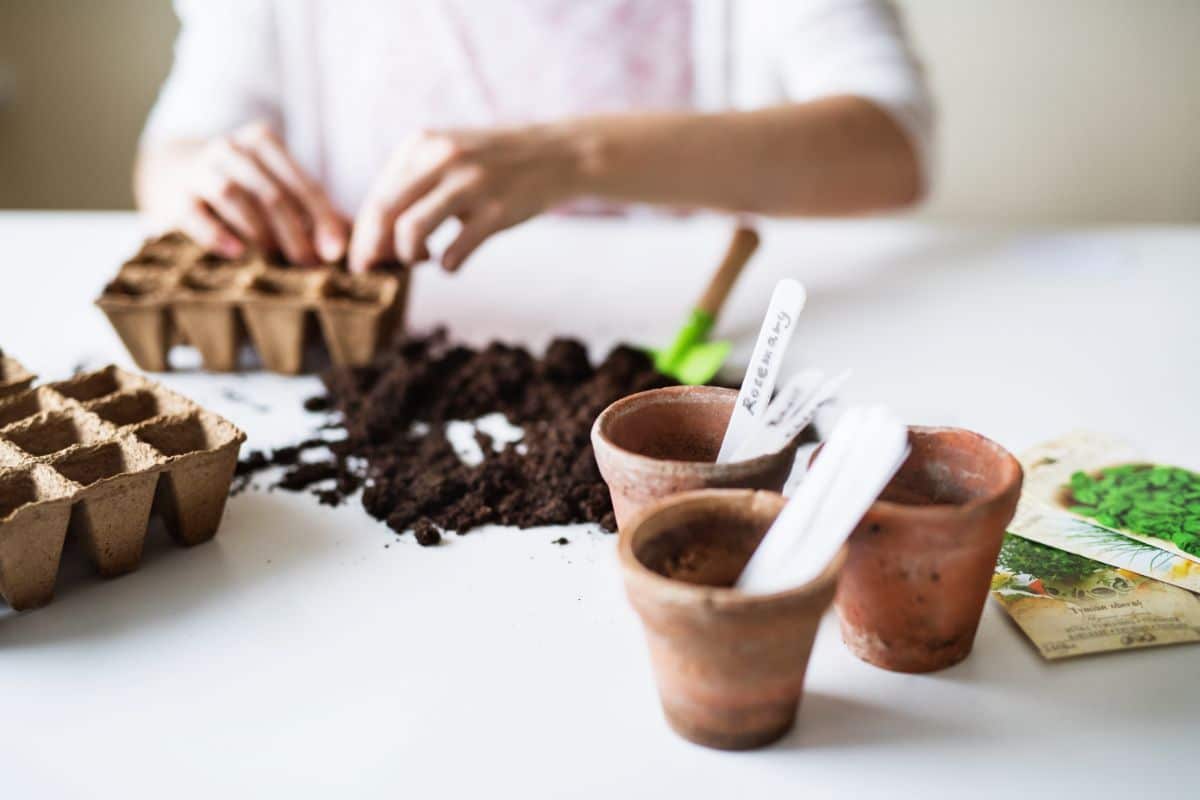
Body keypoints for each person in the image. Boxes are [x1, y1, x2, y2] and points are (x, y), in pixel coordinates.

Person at [136, 0, 934, 274]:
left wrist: (576, 157)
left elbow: (889, 146)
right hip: (363, 385)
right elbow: (172, 153)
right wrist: (203, 179)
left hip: (661, 360)